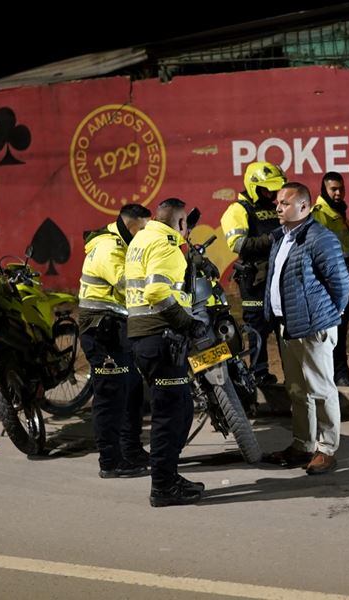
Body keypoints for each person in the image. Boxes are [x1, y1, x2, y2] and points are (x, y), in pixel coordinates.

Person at [263, 182, 349, 475]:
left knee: (321, 389)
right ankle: (302, 445)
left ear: (304, 207)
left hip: (315, 327)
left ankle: (327, 449)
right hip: (288, 326)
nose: (278, 208)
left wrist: (329, 315)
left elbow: (341, 284)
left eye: (284, 203)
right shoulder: (281, 238)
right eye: (277, 203)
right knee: (298, 390)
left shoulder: (319, 238)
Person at [126, 198, 207, 506]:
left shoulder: (142, 239)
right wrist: (187, 323)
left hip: (145, 337)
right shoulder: (166, 245)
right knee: (170, 416)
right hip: (161, 337)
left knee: (181, 409)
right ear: (181, 223)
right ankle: (162, 486)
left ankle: (169, 477)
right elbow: (157, 291)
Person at [78, 204, 151, 479]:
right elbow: (127, 285)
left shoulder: (123, 243)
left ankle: (131, 450)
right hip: (101, 331)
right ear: (132, 225)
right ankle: (110, 461)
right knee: (110, 396)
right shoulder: (110, 248)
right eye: (143, 229)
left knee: (132, 391)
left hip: (118, 328)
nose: (145, 235)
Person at [220, 161, 287, 387]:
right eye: (267, 188)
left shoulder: (272, 205)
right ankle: (259, 374)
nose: (272, 193)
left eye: (274, 188)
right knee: (257, 328)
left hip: (278, 276)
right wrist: (270, 239)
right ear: (253, 186)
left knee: (283, 326)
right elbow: (238, 244)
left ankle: (292, 372)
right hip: (254, 279)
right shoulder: (238, 210)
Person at [311, 172, 349, 387]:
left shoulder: (337, 213)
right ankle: (337, 375)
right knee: (333, 333)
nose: (338, 193)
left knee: (340, 333)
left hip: (342, 285)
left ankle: (338, 374)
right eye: (333, 189)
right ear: (324, 190)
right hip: (331, 288)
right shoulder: (320, 214)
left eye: (340, 189)